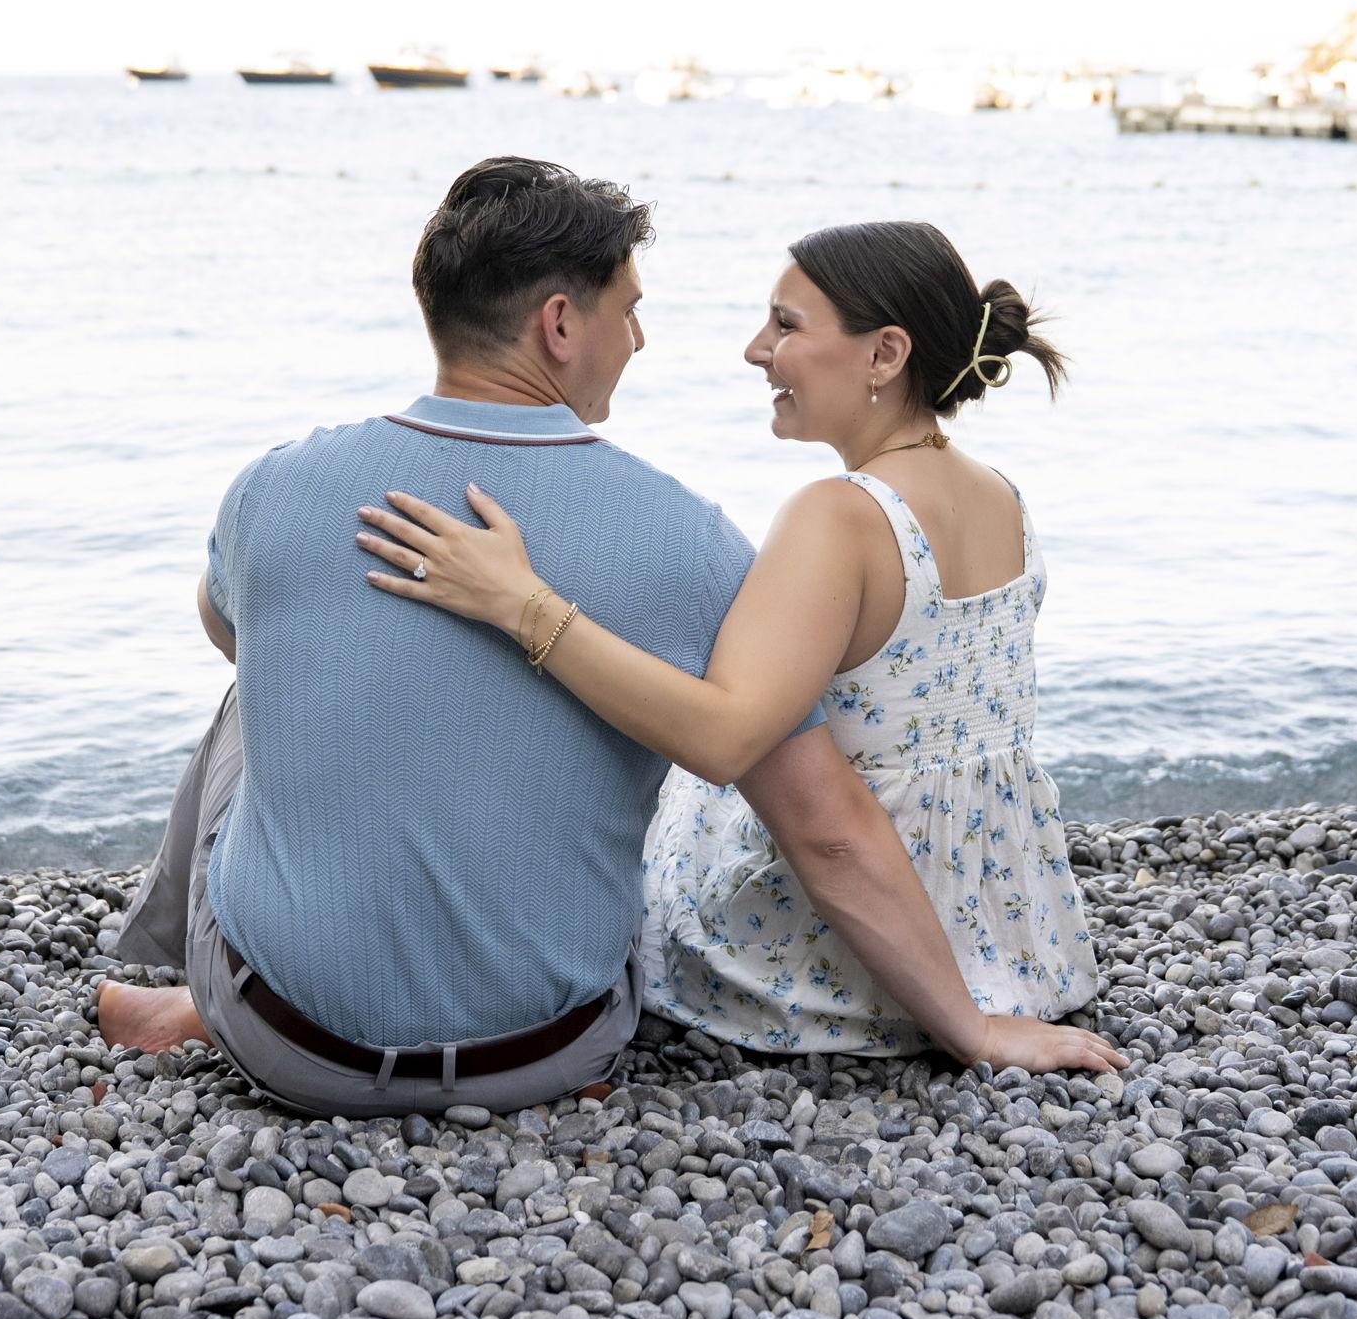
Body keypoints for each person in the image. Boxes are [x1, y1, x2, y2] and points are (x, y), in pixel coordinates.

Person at [100, 164, 1122, 1116]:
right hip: (554, 1050)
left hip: (282, 1044)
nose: (643, 341)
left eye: (781, 323)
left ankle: (181, 979)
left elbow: (230, 633)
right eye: (630, 311)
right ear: (558, 323)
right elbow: (823, 817)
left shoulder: (272, 483)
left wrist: (490, 624)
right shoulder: (688, 534)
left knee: (257, 689)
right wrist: (969, 1024)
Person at [356, 218, 1106, 1056]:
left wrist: (521, 603)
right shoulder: (999, 494)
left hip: (834, 955)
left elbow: (724, 740)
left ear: (885, 355)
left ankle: (320, 1001)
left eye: (786, 325)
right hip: (1007, 935)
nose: (757, 350)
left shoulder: (841, 517)